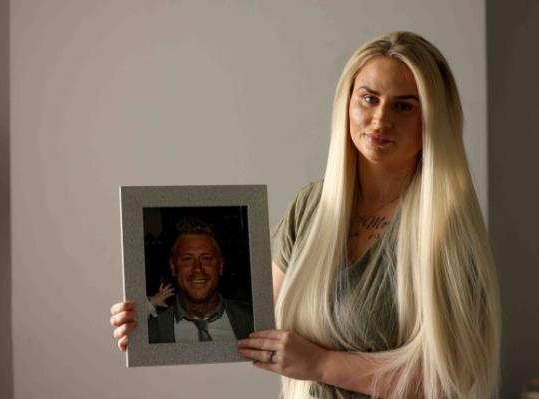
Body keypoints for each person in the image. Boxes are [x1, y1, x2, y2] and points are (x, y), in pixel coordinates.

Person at [110, 32, 500, 398]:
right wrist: (150, 328)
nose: (381, 119)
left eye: (403, 105)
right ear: (346, 103)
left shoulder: (447, 230)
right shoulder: (310, 207)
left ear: (433, 117)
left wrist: (321, 364)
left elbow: (450, 372)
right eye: (368, 98)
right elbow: (252, 329)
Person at [142, 217, 252, 343]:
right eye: (187, 259)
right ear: (173, 267)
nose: (197, 269)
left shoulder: (254, 321)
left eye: (206, 258)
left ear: (220, 266)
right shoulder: (151, 333)